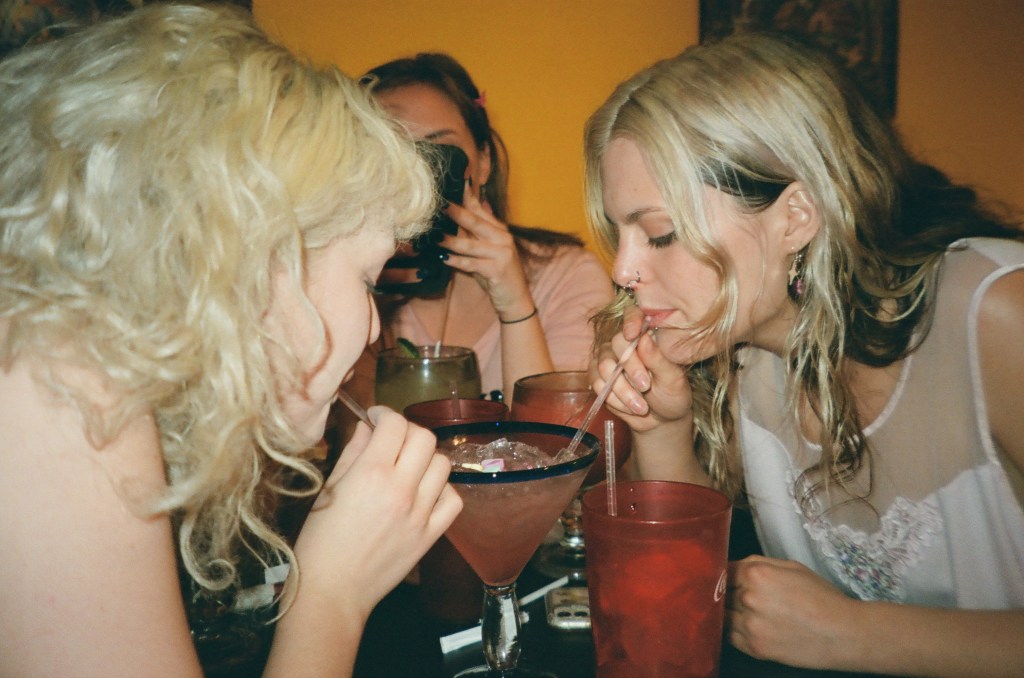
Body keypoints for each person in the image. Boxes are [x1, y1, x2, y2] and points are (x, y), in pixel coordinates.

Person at [0, 4, 462, 677]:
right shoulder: (56, 381)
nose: (373, 329)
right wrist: (331, 595)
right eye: (368, 279)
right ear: (254, 250)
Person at [585, 32, 1024, 677]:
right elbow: (692, 590)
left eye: (661, 233)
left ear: (795, 217)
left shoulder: (998, 313)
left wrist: (855, 634)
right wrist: (662, 428)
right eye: (620, 235)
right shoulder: (743, 353)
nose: (623, 271)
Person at [357, 52, 613, 402]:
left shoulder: (565, 277)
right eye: (392, 156)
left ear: (483, 160)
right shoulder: (352, 286)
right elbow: (349, 429)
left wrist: (516, 307)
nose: (418, 180)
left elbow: (560, 433)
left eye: (439, 153)